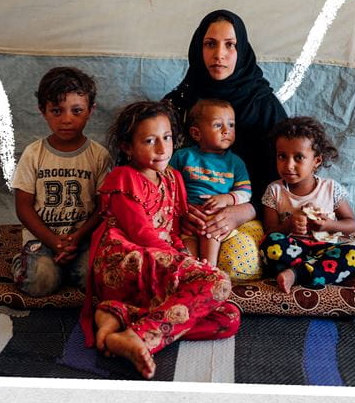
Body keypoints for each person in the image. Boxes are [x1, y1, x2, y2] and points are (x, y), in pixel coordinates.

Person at [80, 101, 240, 379]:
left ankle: (119, 326)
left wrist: (185, 259)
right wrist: (186, 265)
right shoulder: (123, 178)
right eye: (150, 140)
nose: (162, 148)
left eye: (166, 138)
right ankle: (137, 335)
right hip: (126, 262)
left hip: (158, 265)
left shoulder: (173, 178)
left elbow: (174, 231)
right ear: (127, 147)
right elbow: (142, 234)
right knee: (216, 281)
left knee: (228, 318)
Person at [164, 9, 288, 280]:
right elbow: (156, 170)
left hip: (248, 215)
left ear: (241, 49)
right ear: (199, 48)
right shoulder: (180, 105)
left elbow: (284, 181)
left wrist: (240, 211)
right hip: (183, 218)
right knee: (164, 256)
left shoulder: (264, 107)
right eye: (210, 44)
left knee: (238, 263)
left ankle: (204, 283)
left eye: (229, 45)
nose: (219, 54)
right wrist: (180, 211)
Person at [9, 67, 112, 297]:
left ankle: (66, 267)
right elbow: (23, 207)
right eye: (57, 111)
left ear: (90, 111)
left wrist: (77, 237)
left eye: (77, 111)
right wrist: (54, 241)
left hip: (83, 238)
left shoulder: (99, 156)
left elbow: (103, 206)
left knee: (96, 280)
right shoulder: (33, 154)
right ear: (43, 111)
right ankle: (26, 261)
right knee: (40, 282)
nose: (67, 119)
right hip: (43, 239)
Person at [258, 117, 355, 293]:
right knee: (270, 246)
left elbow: (350, 224)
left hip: (328, 248)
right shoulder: (274, 191)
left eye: (299, 157)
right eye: (282, 156)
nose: (289, 165)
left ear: (316, 161)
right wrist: (288, 225)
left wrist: (328, 225)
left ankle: (297, 274)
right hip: (294, 251)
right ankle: (332, 276)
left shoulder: (331, 188)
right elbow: (270, 232)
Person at [168, 98, 252, 266]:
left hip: (215, 220)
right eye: (217, 125)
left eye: (231, 125)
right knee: (187, 254)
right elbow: (167, 183)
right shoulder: (183, 156)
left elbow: (245, 193)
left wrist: (226, 199)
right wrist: (180, 207)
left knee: (209, 232)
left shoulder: (235, 163)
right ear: (196, 133)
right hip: (187, 219)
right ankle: (191, 271)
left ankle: (210, 270)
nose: (226, 131)